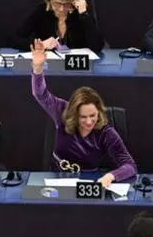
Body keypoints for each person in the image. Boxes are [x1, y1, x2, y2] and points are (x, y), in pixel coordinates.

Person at [31, 40, 137, 187]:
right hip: (57, 179)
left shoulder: (106, 133)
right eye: (83, 117)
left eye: (93, 116)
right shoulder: (62, 110)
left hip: (89, 182)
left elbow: (130, 166)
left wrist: (111, 176)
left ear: (99, 111)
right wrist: (37, 68)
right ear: (74, 114)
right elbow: (41, 94)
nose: (88, 122)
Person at [10, 0, 103, 53]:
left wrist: (84, 15)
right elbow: (14, 39)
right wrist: (41, 45)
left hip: (76, 67)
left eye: (67, 4)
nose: (62, 9)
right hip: (48, 66)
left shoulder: (81, 13)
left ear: (75, 0)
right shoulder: (41, 11)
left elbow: (97, 47)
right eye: (57, 3)